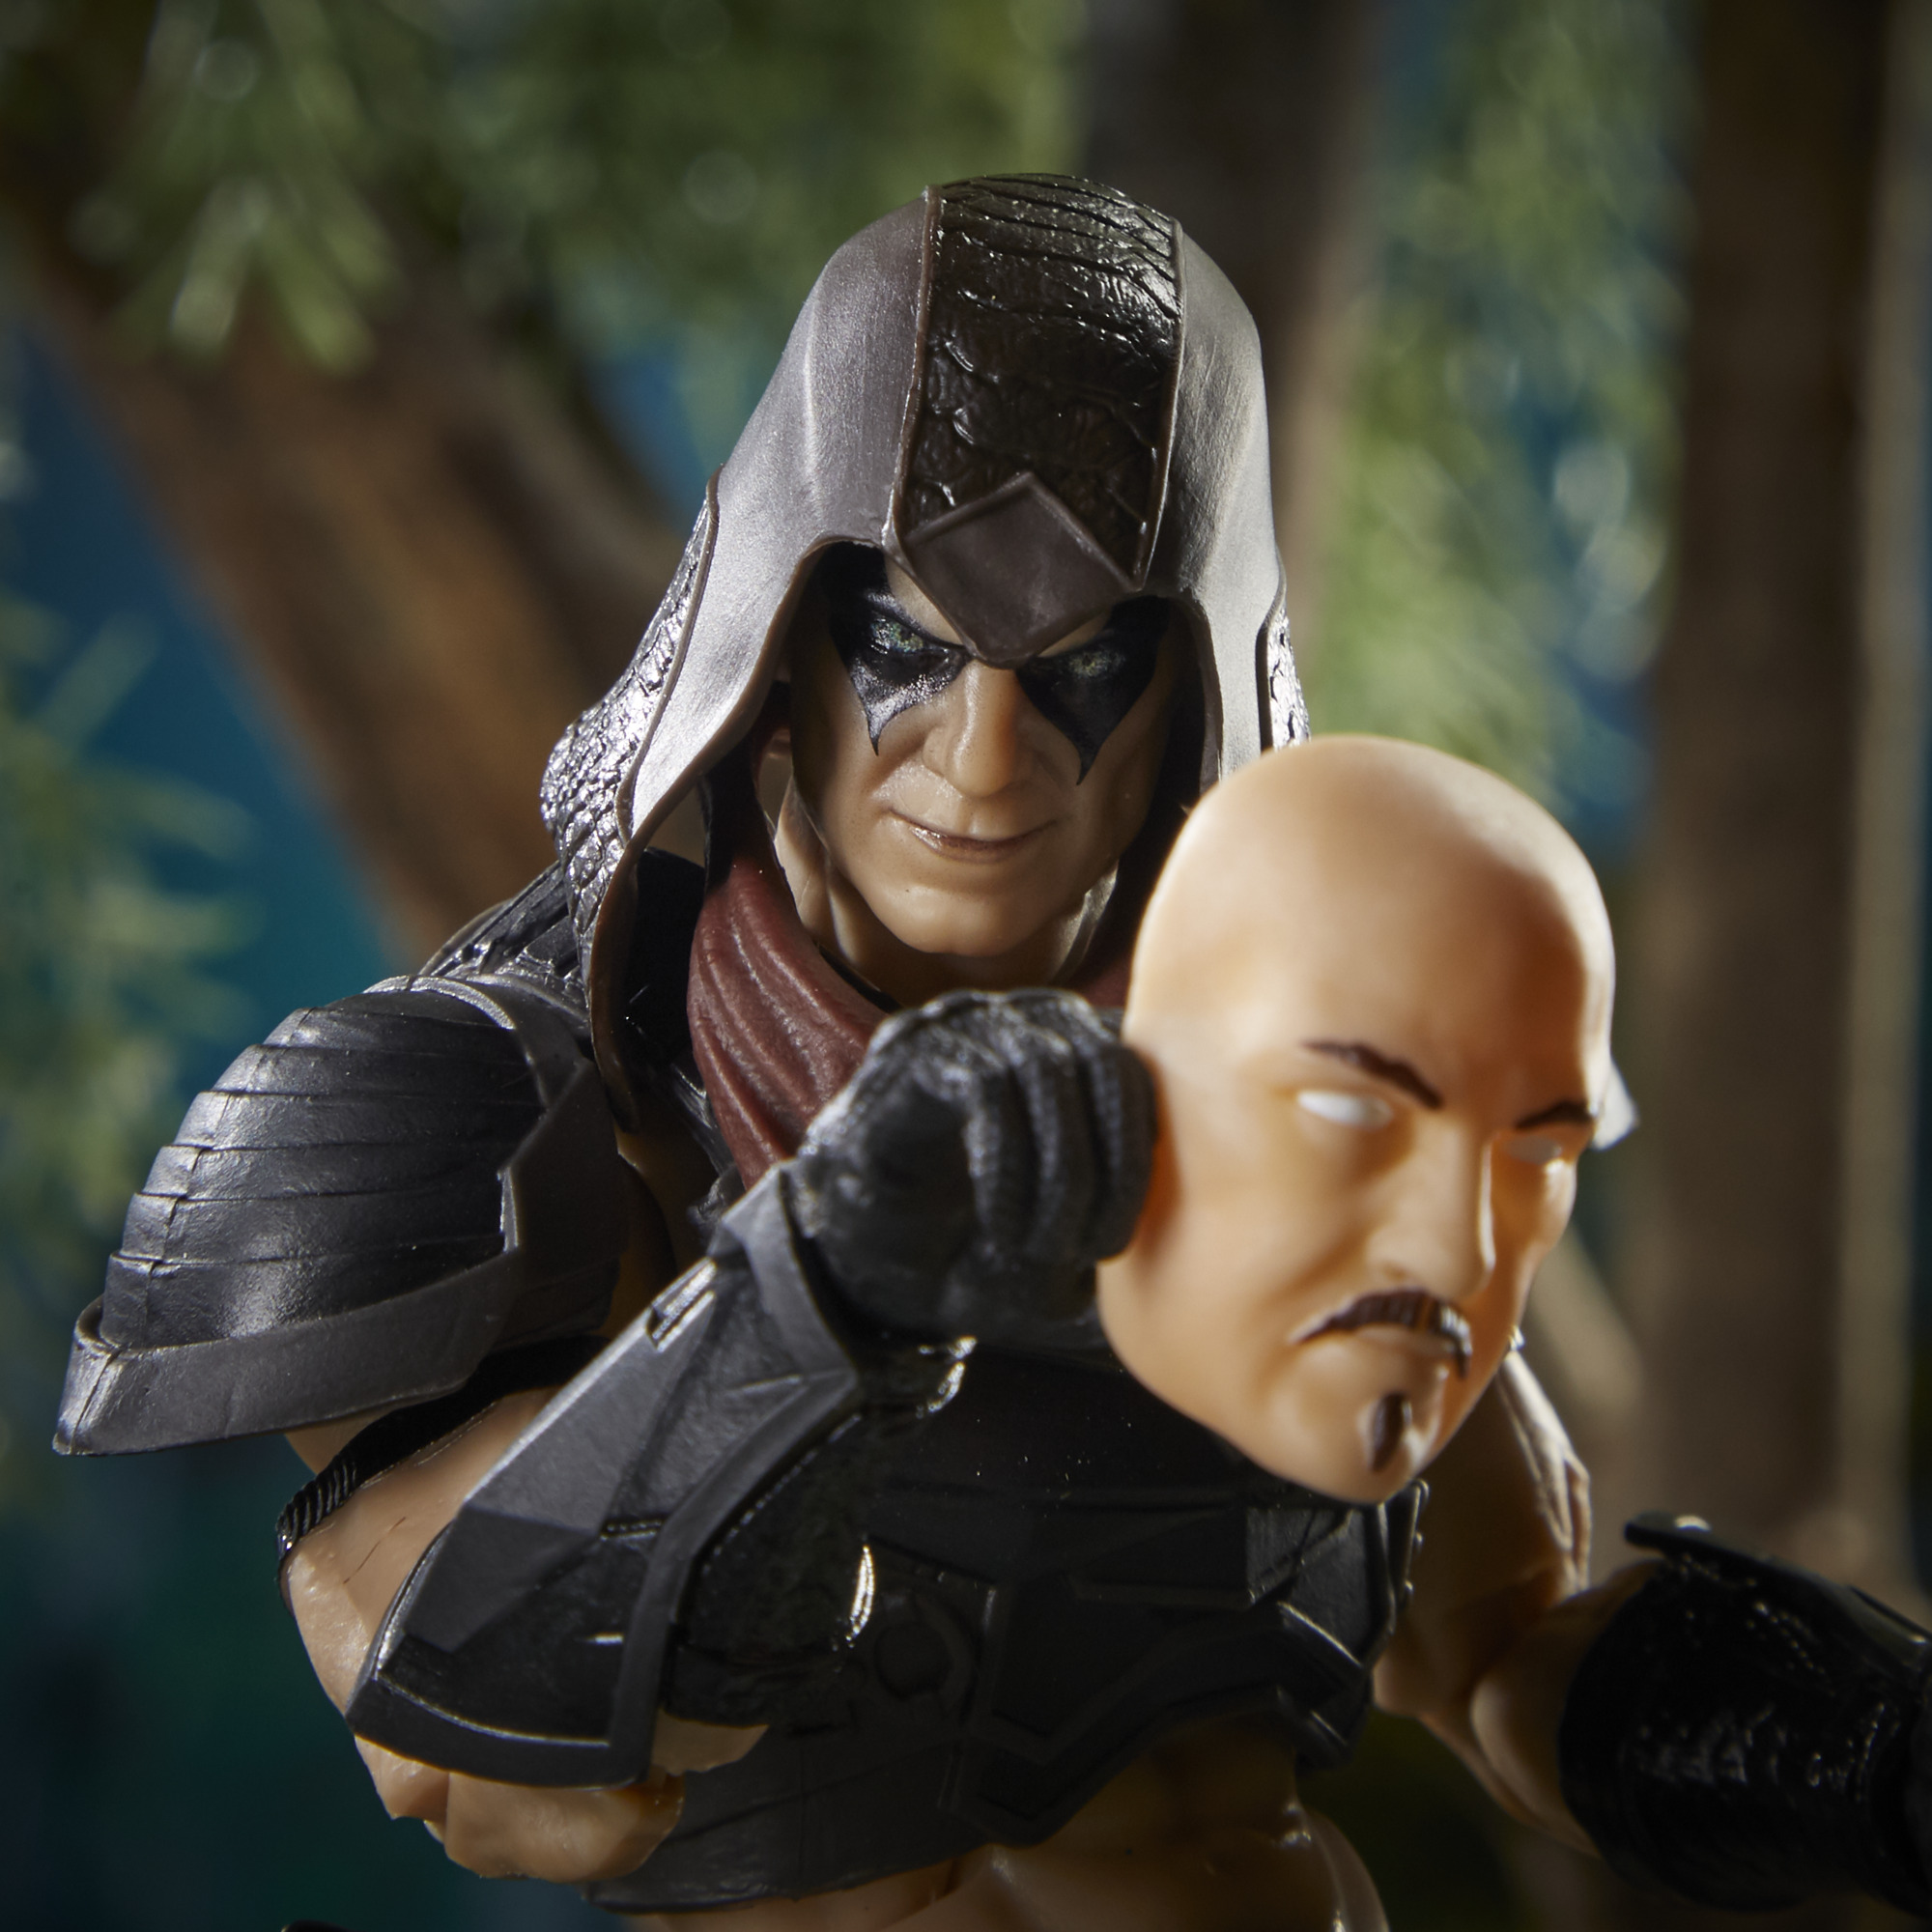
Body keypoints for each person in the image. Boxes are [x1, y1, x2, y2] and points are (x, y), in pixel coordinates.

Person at [52, 178, 1932, 1926]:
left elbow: (1510, 1653)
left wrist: (1859, 1755)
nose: (984, 756)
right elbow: (477, 1753)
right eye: (908, 644)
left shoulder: (1292, 1114)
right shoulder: (529, 1108)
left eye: (1085, 666)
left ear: (1196, 682)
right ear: (778, 638)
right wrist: (821, 1294)